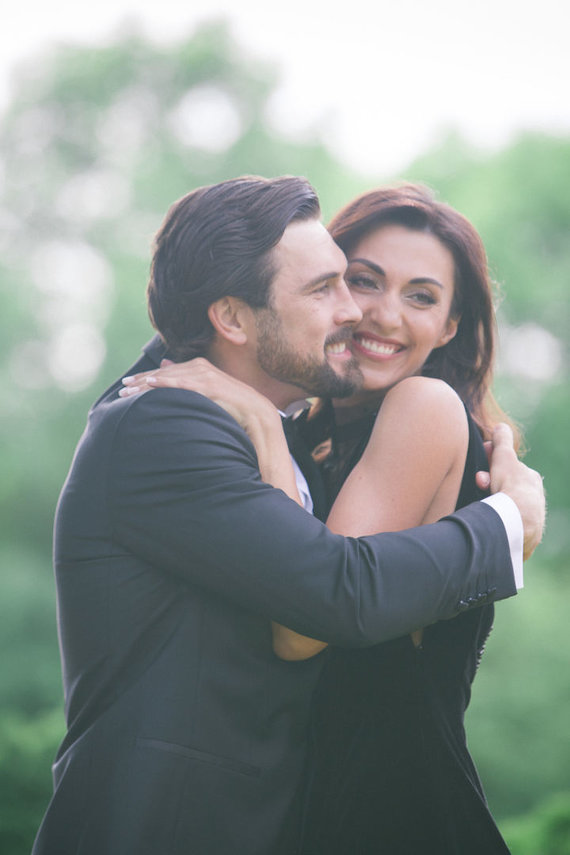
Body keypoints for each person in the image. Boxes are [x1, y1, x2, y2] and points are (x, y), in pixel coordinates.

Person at [32, 176, 544, 855]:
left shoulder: (409, 409)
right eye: (348, 283)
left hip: (391, 803)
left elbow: (321, 607)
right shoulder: (224, 426)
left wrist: (515, 518)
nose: (368, 314)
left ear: (452, 325)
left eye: (420, 295)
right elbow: (326, 587)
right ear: (235, 317)